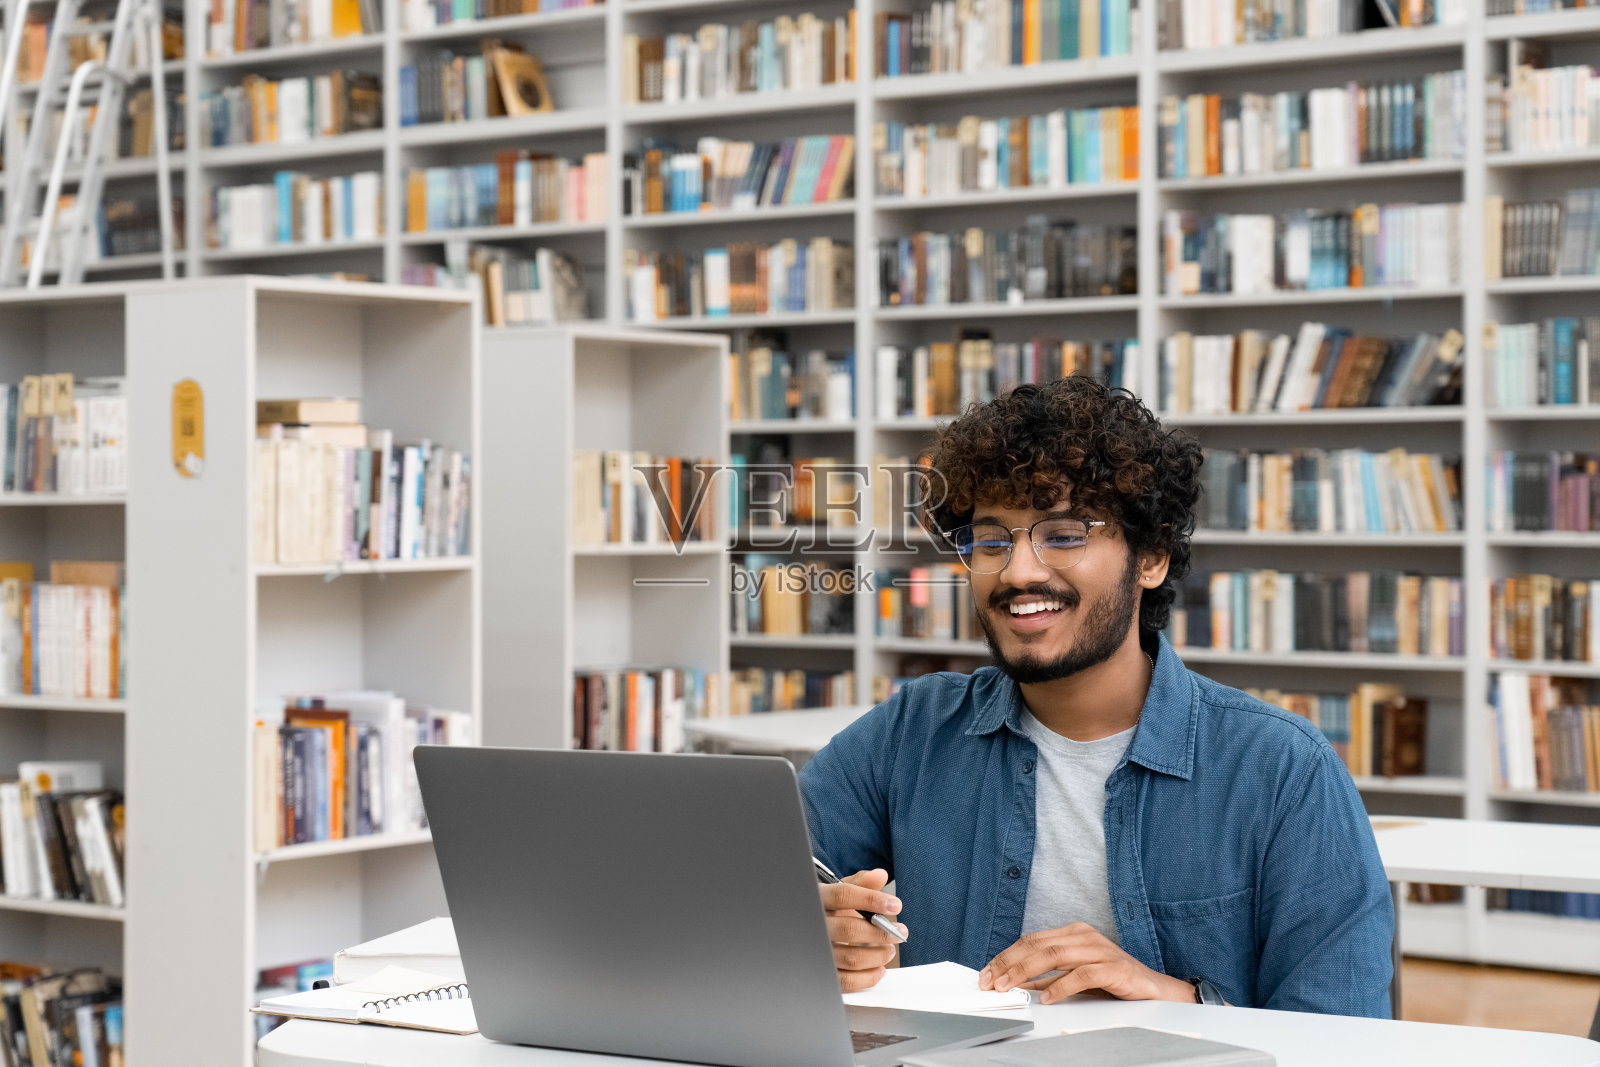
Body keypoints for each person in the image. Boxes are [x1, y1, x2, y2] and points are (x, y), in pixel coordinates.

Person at [798, 377, 1394, 1017]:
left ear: (1151, 558)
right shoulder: (911, 731)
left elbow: (1346, 1031)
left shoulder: (1281, 769)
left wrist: (1174, 1001)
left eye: (1063, 535)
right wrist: (806, 932)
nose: (1019, 571)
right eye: (992, 541)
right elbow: (750, 884)